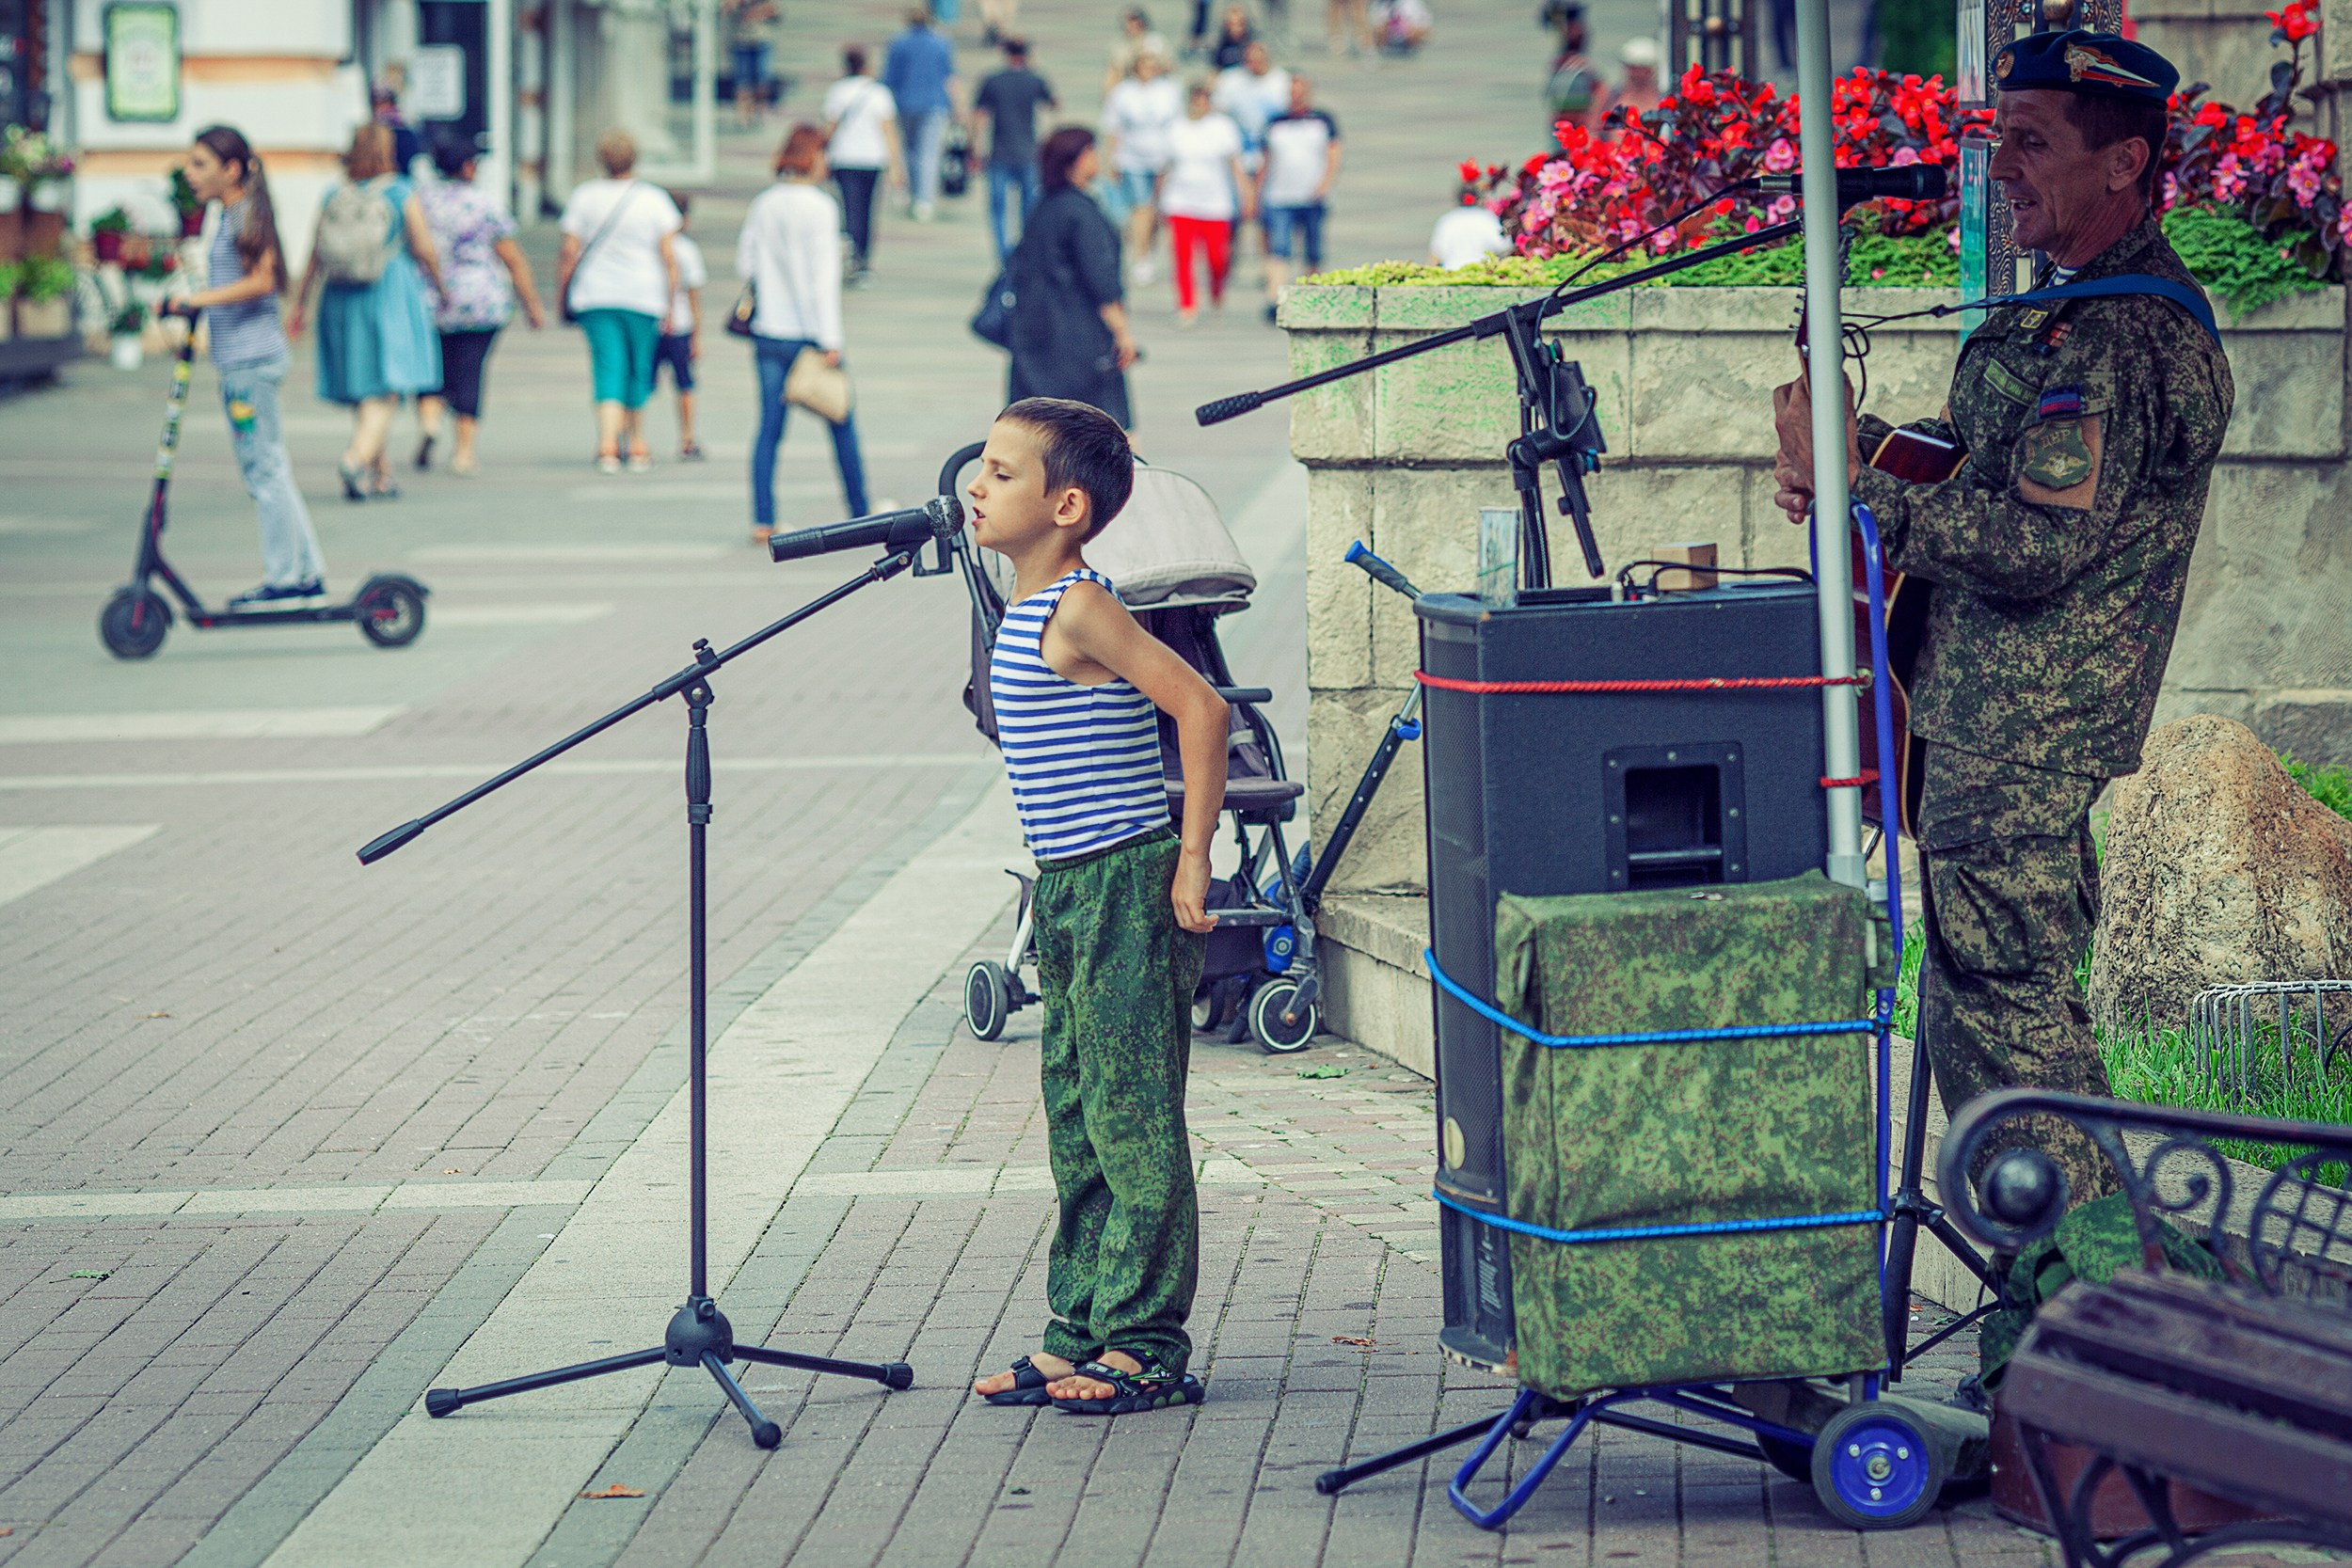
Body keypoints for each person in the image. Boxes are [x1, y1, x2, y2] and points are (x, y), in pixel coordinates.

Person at [1771, 32, 2234, 1208]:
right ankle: (2077, 1305)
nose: (2003, 167)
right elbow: (1995, 473)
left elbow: (2042, 542)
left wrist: (1849, 481)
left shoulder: (2124, 337)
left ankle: (2084, 1305)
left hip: (2022, 738)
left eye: (2033, 143)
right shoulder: (2070, 315)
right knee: (1998, 1027)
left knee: (2014, 1051)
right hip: (1986, 727)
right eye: (1997, 138)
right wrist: (1869, 453)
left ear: (2125, 160)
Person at [962, 396, 1226, 1418]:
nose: (977, 486)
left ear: (1065, 503)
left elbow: (1200, 705)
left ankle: (1146, 1342)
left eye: (1001, 471)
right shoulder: (1027, 607)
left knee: (1131, 1119)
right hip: (1068, 883)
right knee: (1075, 1115)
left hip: (1123, 878)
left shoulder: (1080, 606)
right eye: (979, 467)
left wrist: (1191, 855)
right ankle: (1079, 1326)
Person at [165, 125, 327, 606]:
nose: (189, 173)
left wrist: (197, 300)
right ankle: (306, 575)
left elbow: (265, 280)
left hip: (250, 363)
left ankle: (284, 582)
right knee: (272, 468)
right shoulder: (236, 213)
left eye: (200, 164)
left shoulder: (243, 216)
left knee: (264, 471)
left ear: (231, 170)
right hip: (247, 360)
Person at [289, 123, 441, 502]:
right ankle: (356, 458)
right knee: (387, 390)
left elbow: (314, 252)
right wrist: (441, 285)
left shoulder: (333, 193)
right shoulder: (400, 192)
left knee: (366, 387)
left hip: (340, 297)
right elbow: (422, 246)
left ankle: (381, 474)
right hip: (388, 291)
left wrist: (300, 303)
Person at [739, 124, 870, 546]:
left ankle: (763, 518)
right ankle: (859, 510)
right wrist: (830, 338)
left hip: (768, 331)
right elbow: (821, 281)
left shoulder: (764, 203)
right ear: (812, 158)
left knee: (768, 429)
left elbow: (746, 263)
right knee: (841, 420)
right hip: (809, 336)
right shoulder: (820, 206)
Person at [415, 134, 547, 478]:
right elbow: (512, 259)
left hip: (429, 298)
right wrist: (531, 303)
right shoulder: (484, 205)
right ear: (469, 167)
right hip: (480, 300)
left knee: (432, 369)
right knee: (470, 373)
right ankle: (463, 452)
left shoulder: (421, 202)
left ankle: (429, 423)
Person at [556, 128, 684, 475]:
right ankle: (638, 443)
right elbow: (669, 258)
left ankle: (607, 446)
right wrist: (672, 304)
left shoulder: (584, 196)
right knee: (638, 368)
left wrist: (561, 292)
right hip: (643, 296)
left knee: (607, 367)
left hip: (596, 295)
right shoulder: (654, 199)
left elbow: (569, 251)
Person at [1007, 128, 1139, 428]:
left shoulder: (1043, 206)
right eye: (1090, 152)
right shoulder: (1080, 212)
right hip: (1080, 338)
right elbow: (1101, 280)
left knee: (1042, 433)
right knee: (1103, 433)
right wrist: (1122, 332)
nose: (1097, 158)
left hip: (1034, 335)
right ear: (1074, 161)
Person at [1158, 82, 1248, 325]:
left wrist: (1246, 195)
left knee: (1217, 258)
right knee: (1183, 256)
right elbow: (1163, 168)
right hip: (1180, 201)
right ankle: (1187, 305)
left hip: (1215, 203)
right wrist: (1157, 200)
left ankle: (1217, 292)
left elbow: (1235, 166)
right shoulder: (1175, 128)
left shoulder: (1223, 127)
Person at [1256, 74, 1341, 319]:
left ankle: (1312, 296)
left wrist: (1325, 183)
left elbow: (1334, 153)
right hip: (1279, 196)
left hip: (1312, 196)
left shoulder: (1322, 120)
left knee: (1312, 250)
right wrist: (1257, 194)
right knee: (1279, 248)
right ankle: (1275, 298)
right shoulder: (1275, 123)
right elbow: (1265, 160)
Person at [972, 38, 1057, 264]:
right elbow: (1053, 106)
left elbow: (979, 117)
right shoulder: (1035, 80)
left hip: (999, 153)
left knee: (998, 210)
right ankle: (1026, 253)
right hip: (1028, 152)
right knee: (1028, 210)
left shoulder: (992, 80)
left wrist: (976, 148)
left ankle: (1004, 257)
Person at [1100, 48, 1182, 285]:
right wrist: (1112, 159)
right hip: (1132, 158)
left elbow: (1176, 125)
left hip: (1162, 159)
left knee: (1155, 212)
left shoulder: (1168, 91)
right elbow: (1113, 128)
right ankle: (1141, 257)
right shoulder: (1123, 93)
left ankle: (1147, 249)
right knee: (1141, 207)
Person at [823, 45, 904, 282]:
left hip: (844, 159)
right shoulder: (879, 93)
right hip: (872, 160)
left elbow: (829, 128)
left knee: (850, 209)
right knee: (868, 211)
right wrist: (895, 166)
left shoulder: (837, 91)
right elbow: (889, 131)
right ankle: (863, 259)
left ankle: (853, 256)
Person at [883, 8, 959, 221]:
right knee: (929, 153)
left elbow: (889, 77)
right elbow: (949, 78)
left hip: (905, 102)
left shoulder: (899, 43)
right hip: (935, 104)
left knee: (908, 150)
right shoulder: (941, 42)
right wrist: (957, 108)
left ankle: (910, 192)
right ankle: (924, 200)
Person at [656, 190, 707, 460]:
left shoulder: (649, 244)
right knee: (685, 383)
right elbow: (693, 296)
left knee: (639, 382)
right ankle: (687, 437)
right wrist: (697, 337)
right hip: (682, 325)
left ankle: (629, 436)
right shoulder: (686, 249)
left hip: (650, 322)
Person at [1212, 40, 1291, 168]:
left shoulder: (1282, 82)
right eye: (1249, 61)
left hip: (1272, 154)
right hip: (1239, 151)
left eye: (1258, 61)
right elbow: (1218, 115)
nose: (1253, 65)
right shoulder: (1230, 80)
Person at [1543, 2, 1604, 137]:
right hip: (1562, 129)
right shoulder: (1558, 64)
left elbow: (1601, 89)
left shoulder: (1583, 66)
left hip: (1579, 129)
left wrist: (1591, 122)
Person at [725, 0, 784, 127]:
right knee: (742, 81)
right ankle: (744, 115)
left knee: (762, 79)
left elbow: (776, 14)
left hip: (762, 40)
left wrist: (763, 11)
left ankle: (761, 111)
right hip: (740, 41)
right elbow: (726, 10)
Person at [1596, 37, 1665, 130]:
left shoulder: (1661, 100)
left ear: (1650, 70)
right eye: (1631, 67)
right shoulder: (1612, 98)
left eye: (1639, 68)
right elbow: (1594, 129)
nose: (1633, 73)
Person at [1429, 194, 1510, 270]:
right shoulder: (1488, 218)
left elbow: (1436, 254)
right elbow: (1503, 246)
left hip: (1452, 273)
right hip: (1483, 273)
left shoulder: (1447, 220)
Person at [1104, 8, 1171, 94]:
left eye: (1135, 20)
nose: (1133, 25)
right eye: (1130, 21)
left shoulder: (1156, 41)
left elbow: (1169, 66)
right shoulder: (1121, 45)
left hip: (1156, 84)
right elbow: (1115, 70)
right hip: (1130, 85)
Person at [1209, 3, 1256, 70]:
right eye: (1232, 24)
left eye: (1240, 24)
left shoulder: (1253, 44)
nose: (1235, 29)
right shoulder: (1219, 46)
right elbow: (1214, 69)